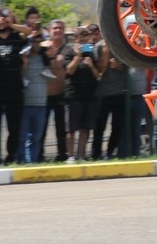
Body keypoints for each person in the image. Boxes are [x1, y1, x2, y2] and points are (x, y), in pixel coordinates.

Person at [0, 8, 26, 166]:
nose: (1, 22)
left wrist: (11, 24)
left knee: (14, 126)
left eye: (4, 19)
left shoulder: (16, 37)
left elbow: (28, 31)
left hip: (15, 87)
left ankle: (11, 156)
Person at [63, 25, 101, 163]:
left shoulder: (91, 53)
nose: (84, 43)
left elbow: (97, 75)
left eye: (86, 40)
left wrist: (91, 65)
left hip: (89, 95)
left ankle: (81, 155)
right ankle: (70, 156)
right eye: (81, 40)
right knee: (71, 129)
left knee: (85, 128)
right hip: (74, 96)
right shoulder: (69, 52)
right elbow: (69, 71)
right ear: (76, 39)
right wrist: (78, 56)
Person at [92, 31, 130, 159]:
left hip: (119, 92)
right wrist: (106, 51)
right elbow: (100, 69)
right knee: (99, 125)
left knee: (117, 126)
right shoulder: (98, 47)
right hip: (103, 93)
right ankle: (96, 154)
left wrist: (117, 66)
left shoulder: (120, 45)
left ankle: (110, 152)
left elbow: (126, 68)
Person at [18, 24, 52, 163]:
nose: (36, 44)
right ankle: (22, 161)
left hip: (41, 103)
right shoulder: (22, 57)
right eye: (34, 41)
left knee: (37, 137)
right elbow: (20, 76)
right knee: (23, 136)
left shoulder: (45, 58)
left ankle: (33, 161)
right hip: (26, 103)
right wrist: (25, 62)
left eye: (39, 41)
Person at [40, 19, 69, 162]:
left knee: (61, 128)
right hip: (44, 95)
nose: (58, 31)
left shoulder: (68, 50)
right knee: (41, 128)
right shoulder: (41, 47)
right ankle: (39, 155)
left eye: (61, 28)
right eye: (55, 28)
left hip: (61, 95)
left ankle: (62, 155)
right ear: (49, 30)